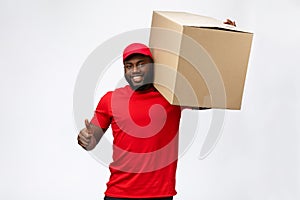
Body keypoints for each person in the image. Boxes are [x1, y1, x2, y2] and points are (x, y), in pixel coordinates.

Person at [77, 20, 236, 200]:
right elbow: (90, 141)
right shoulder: (110, 99)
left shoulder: (172, 95)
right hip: (118, 194)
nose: (134, 70)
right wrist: (85, 138)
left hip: (160, 195)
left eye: (140, 64)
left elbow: (210, 97)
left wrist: (224, 39)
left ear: (152, 65)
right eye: (129, 66)